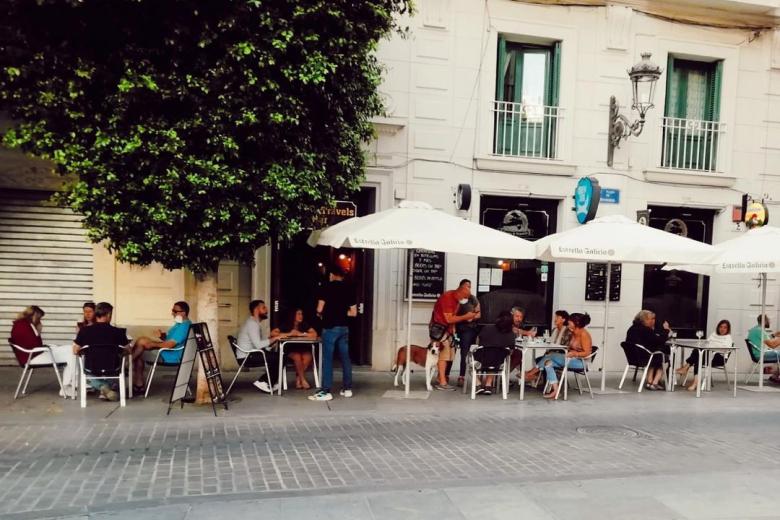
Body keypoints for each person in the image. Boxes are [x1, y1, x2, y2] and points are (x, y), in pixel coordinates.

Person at [309, 264, 357, 401]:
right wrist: (341, 312)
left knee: (327, 359)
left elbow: (319, 309)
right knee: (345, 358)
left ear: (332, 275)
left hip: (330, 327)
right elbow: (353, 313)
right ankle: (347, 389)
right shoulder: (349, 289)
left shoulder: (326, 287)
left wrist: (323, 314)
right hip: (344, 328)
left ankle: (326, 391)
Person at [524, 313, 592, 399]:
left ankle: (531, 373)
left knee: (551, 355)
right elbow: (571, 347)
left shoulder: (584, 334)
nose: (568, 323)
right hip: (570, 359)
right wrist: (570, 350)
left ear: (576, 322)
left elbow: (587, 352)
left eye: (570, 321)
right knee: (548, 363)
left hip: (581, 362)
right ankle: (556, 391)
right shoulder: (573, 332)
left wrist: (575, 353)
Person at [73, 302, 130, 402]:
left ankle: (102, 386)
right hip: (113, 368)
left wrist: (83, 352)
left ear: (95, 314)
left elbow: (75, 350)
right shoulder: (118, 332)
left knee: (86, 374)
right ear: (109, 314)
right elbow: (128, 350)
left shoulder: (84, 331)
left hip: (91, 368)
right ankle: (108, 386)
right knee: (117, 372)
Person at [130, 301, 192, 393]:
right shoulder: (179, 324)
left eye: (175, 311)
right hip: (166, 352)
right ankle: (138, 384)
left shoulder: (184, 326)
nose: (172, 313)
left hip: (170, 356)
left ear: (183, 313)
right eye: (172, 310)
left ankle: (126, 364)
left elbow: (170, 345)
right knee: (140, 346)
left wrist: (152, 344)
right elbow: (169, 339)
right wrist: (161, 336)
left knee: (141, 345)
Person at [427, 279, 477, 390]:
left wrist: (453, 329)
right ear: (459, 292)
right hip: (439, 331)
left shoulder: (457, 300)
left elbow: (452, 319)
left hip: (447, 331)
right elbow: (449, 318)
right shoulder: (448, 298)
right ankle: (442, 382)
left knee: (448, 356)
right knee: (443, 356)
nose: (465, 300)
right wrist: (466, 316)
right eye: (464, 297)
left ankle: (441, 378)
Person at [236, 299, 282, 393]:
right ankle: (264, 381)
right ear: (256, 310)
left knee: (277, 356)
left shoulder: (254, 323)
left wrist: (272, 339)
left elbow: (260, 345)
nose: (267, 310)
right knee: (280, 357)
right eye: (264, 308)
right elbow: (258, 345)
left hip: (251, 354)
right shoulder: (252, 324)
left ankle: (268, 382)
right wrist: (276, 338)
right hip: (247, 357)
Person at [676, 319, 732, 391]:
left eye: (725, 327)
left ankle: (685, 368)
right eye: (721, 327)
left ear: (728, 329)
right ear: (718, 327)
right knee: (698, 356)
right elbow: (707, 343)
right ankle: (695, 382)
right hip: (709, 354)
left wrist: (712, 346)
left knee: (698, 352)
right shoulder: (714, 334)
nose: (722, 329)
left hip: (720, 358)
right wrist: (712, 346)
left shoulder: (728, 338)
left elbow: (725, 349)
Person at [624, 310, 672, 390]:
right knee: (665, 358)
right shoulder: (644, 329)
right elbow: (658, 340)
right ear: (644, 320)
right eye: (652, 319)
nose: (654, 321)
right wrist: (666, 330)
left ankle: (649, 382)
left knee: (656, 354)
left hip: (633, 357)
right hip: (643, 358)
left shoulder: (632, 329)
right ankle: (655, 382)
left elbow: (650, 341)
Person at [271, 307, 317, 390]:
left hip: (302, 348)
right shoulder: (286, 325)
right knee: (297, 357)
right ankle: (303, 380)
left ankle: (298, 379)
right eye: (298, 314)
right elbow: (273, 333)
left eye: (302, 314)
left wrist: (301, 334)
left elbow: (314, 334)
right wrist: (289, 333)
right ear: (293, 315)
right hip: (290, 349)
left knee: (308, 357)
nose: (301, 316)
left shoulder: (304, 324)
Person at [474, 310, 514, 395]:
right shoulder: (511, 334)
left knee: (469, 363)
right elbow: (510, 350)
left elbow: (478, 342)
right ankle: (488, 385)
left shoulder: (487, 328)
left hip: (481, 360)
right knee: (494, 361)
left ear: (498, 319)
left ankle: (478, 384)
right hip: (497, 363)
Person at [451, 279, 481, 388]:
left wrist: (471, 317)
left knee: (464, 352)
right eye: (466, 286)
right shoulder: (456, 298)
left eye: (469, 286)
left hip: (468, 329)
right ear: (460, 287)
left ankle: (461, 376)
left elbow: (479, 314)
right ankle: (445, 375)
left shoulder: (472, 298)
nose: (468, 288)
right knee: (450, 351)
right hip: (455, 327)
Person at [747, 314, 780, 383]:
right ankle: (774, 375)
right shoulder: (760, 331)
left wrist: (774, 335)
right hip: (761, 355)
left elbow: (766, 339)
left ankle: (774, 376)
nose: (770, 322)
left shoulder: (756, 329)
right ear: (764, 321)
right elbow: (772, 345)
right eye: (769, 320)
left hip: (759, 353)